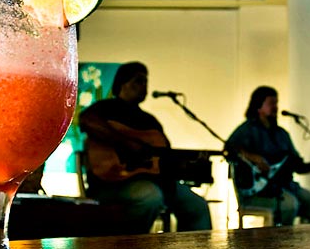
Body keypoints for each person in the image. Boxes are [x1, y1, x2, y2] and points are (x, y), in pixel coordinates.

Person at [78, 61, 212, 234]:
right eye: (138, 81)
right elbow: (86, 121)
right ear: (122, 83)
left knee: (197, 205)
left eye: (146, 81)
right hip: (110, 184)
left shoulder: (149, 120)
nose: (145, 86)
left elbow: (164, 156)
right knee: (150, 197)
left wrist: (190, 164)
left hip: (157, 182)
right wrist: (126, 143)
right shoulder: (106, 108)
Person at [225, 86, 310, 225]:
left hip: (286, 187)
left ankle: (306, 245)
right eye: (271, 103)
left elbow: (296, 165)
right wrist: (253, 157)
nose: (276, 107)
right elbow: (228, 149)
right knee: (289, 205)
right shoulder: (247, 130)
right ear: (258, 106)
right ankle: (278, 246)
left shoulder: (282, 134)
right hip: (257, 192)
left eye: (277, 103)